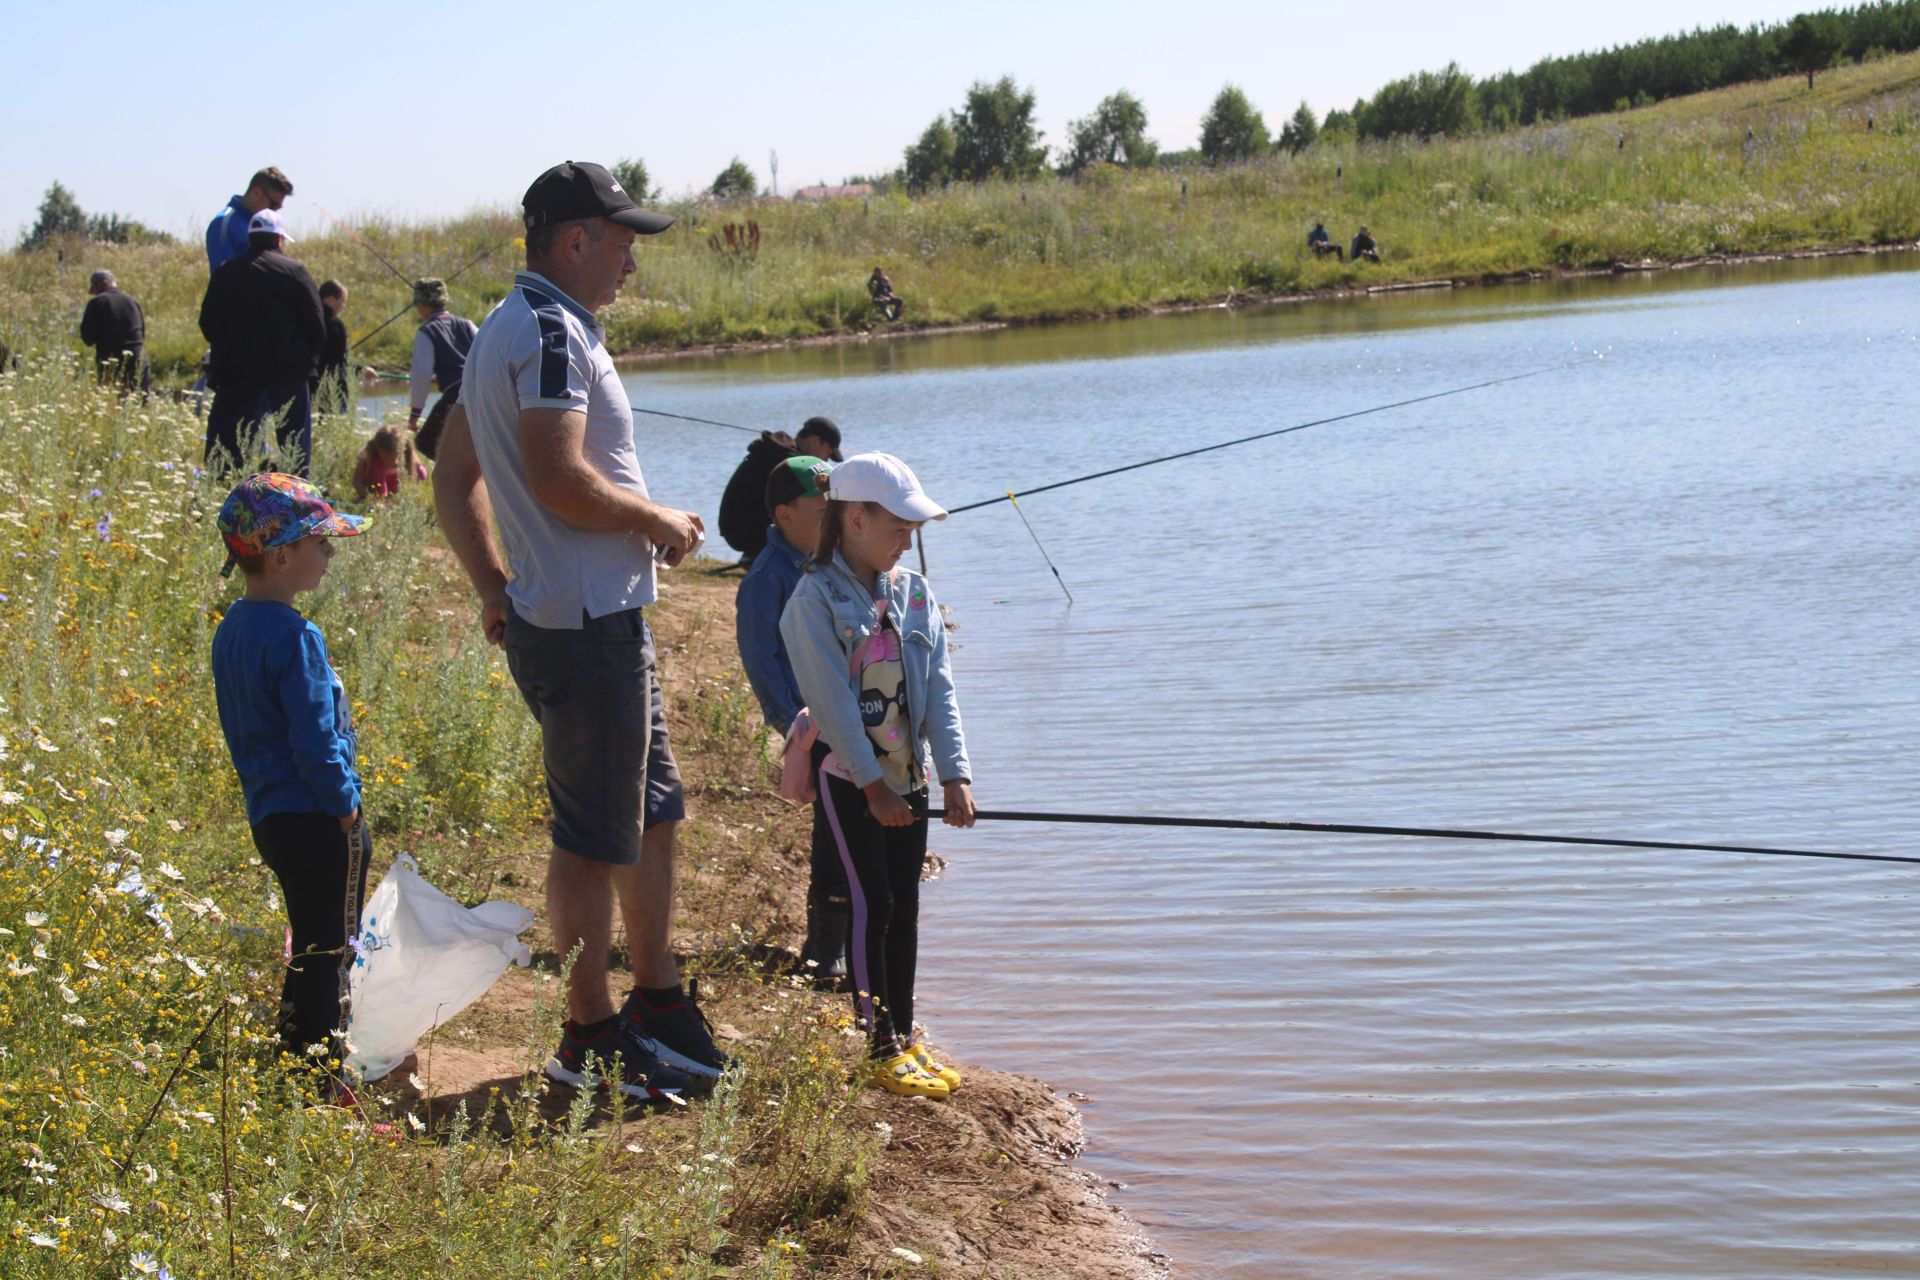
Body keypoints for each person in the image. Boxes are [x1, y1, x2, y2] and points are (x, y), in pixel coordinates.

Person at [434, 160, 717, 1102]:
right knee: (593, 837)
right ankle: (588, 1031)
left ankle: (658, 1000)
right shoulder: (550, 334)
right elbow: (556, 479)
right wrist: (654, 519)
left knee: (653, 813)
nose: (633, 260)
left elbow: (452, 473)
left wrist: (491, 587)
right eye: (625, 241)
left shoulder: (500, 329)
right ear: (575, 241)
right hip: (588, 628)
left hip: (586, 621)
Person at [778, 452, 977, 1099]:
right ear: (855, 519)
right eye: (898, 526)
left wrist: (954, 775)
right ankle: (878, 1044)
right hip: (851, 780)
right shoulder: (813, 601)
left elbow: (941, 691)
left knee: (908, 906)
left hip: (909, 781)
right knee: (874, 904)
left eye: (913, 527)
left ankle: (905, 1032)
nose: (908, 538)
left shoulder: (915, 594)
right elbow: (833, 706)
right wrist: (871, 786)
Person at [209, 472, 370, 1093]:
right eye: (321, 544)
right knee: (333, 951)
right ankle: (322, 1084)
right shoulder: (298, 637)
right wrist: (346, 808)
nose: (330, 555)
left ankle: (293, 1062)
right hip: (318, 819)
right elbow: (314, 741)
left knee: (309, 939)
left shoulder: (231, 630)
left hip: (270, 817)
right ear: (281, 556)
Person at [735, 456, 851, 982]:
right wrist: (794, 726)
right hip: (815, 725)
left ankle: (858, 935)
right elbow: (762, 659)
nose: (834, 521)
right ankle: (824, 947)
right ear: (784, 515)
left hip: (850, 716)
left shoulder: (828, 561)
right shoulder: (767, 577)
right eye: (822, 511)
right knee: (833, 830)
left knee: (854, 824)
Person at [198, 209, 327, 476]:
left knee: (228, 442)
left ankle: (223, 493)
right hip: (288, 375)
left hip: (236, 374)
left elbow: (208, 323)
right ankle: (297, 501)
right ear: (279, 239)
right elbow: (316, 326)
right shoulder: (295, 271)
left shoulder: (225, 273)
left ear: (251, 238)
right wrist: (305, 364)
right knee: (293, 446)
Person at [718, 417, 844, 564]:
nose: (826, 460)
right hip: (742, 532)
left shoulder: (779, 450)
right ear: (816, 441)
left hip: (736, 527)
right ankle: (763, 555)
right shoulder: (789, 462)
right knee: (803, 509)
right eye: (828, 453)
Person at [405, 278, 477, 461]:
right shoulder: (467, 324)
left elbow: (421, 378)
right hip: (483, 390)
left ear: (422, 305)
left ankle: (458, 477)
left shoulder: (426, 332)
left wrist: (415, 414)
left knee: (426, 443)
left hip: (456, 395)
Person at [207, 167, 294, 273]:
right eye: (273, 205)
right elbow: (223, 277)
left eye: (277, 208)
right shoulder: (224, 223)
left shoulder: (267, 224)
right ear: (256, 192)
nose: (274, 212)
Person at [78, 270, 151, 393]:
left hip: (111, 361)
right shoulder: (132, 301)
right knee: (140, 402)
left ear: (98, 285)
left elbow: (88, 338)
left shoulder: (97, 302)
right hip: (138, 357)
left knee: (112, 403)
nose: (94, 292)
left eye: (94, 288)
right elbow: (142, 333)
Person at [351, 423, 426, 500]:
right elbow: (357, 482)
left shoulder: (409, 457)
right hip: (375, 485)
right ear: (378, 449)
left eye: (395, 458)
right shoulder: (371, 457)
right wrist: (370, 499)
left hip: (395, 485)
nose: (392, 463)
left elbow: (419, 474)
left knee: (420, 472)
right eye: (386, 459)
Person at [312, 280, 352, 416]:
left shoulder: (307, 317)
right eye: (343, 301)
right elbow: (339, 362)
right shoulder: (335, 325)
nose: (344, 306)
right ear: (331, 298)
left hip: (310, 389)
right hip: (332, 392)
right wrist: (361, 370)